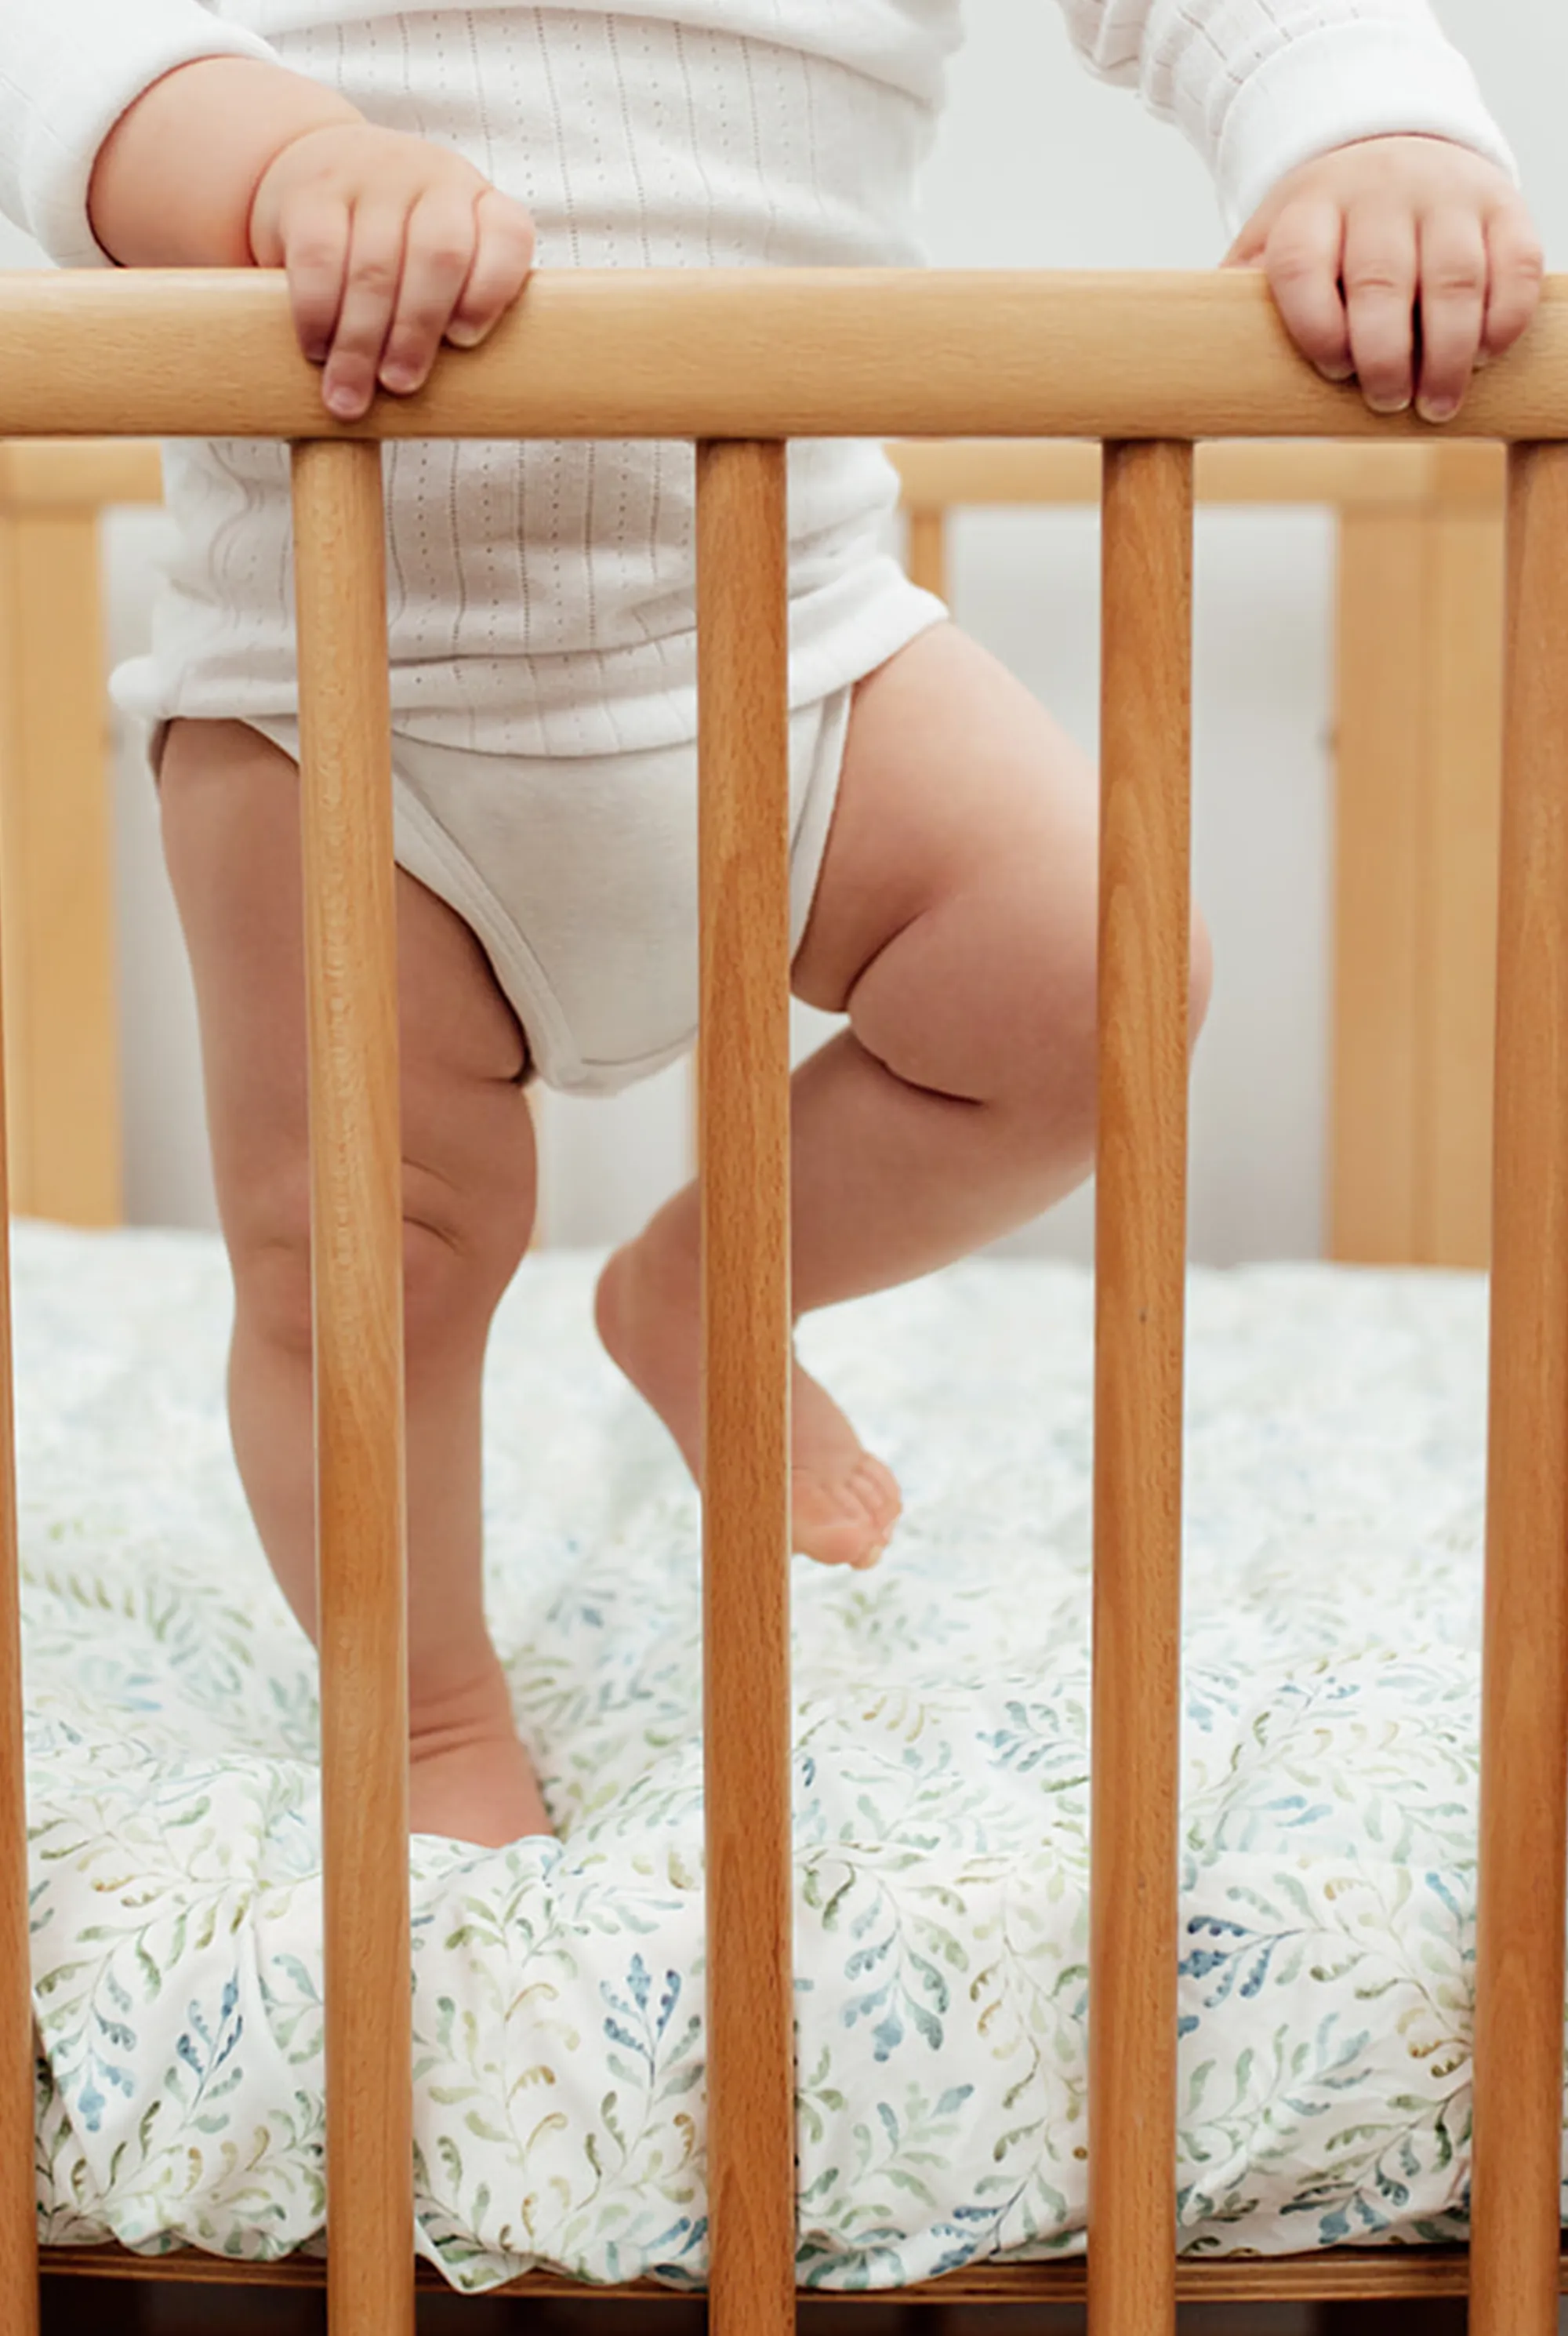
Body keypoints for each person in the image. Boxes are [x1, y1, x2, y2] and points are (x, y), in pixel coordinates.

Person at [0, 0, 1542, 1844]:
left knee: (1095, 978)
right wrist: (270, 161)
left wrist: (1364, 131)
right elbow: (64, 45)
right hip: (335, 705)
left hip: (800, 645)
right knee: (357, 1270)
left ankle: (712, 1285)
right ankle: (423, 1718)